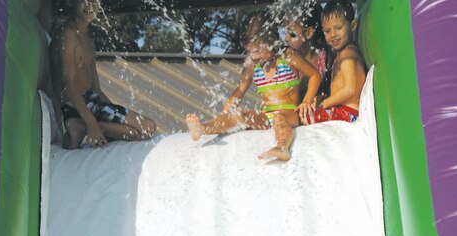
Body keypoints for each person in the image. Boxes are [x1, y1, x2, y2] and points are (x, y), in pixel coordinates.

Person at [185, 14, 321, 162]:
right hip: (265, 116)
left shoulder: (288, 56)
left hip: (289, 113)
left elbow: (315, 75)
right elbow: (240, 90)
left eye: (257, 51)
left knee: (278, 117)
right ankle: (203, 128)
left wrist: (306, 101)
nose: (253, 56)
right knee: (240, 115)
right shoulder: (252, 65)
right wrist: (226, 111)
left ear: (271, 43)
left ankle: (283, 147)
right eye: (249, 51)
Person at [49, 0, 157, 150]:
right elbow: (68, 84)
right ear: (71, 3)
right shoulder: (68, 33)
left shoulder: (88, 39)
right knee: (146, 127)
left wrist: (114, 114)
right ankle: (82, 125)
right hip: (76, 103)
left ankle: (79, 126)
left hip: (92, 103)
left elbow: (96, 89)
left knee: (140, 131)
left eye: (95, 1)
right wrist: (91, 123)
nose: (89, 5)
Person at [300, 0, 366, 125]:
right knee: (305, 113)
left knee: (304, 117)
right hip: (343, 111)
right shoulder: (340, 54)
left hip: (349, 113)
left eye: (338, 28)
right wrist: (322, 100)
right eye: (327, 31)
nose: (333, 35)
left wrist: (324, 104)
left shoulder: (348, 55)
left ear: (353, 25)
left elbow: (349, 89)